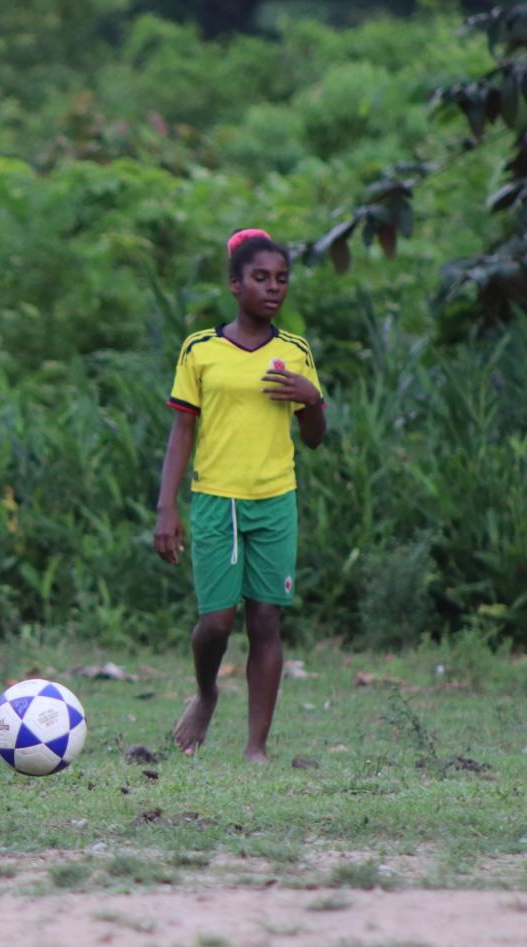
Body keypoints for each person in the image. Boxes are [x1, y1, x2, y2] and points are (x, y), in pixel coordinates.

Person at [152, 228, 326, 763]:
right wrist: (166, 506)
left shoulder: (294, 352)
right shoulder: (201, 350)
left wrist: (312, 400)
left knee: (266, 619)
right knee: (216, 622)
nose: (273, 288)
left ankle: (256, 747)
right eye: (260, 278)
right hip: (216, 500)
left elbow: (314, 438)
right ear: (234, 284)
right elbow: (182, 430)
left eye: (281, 279)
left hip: (275, 500)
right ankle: (206, 693)